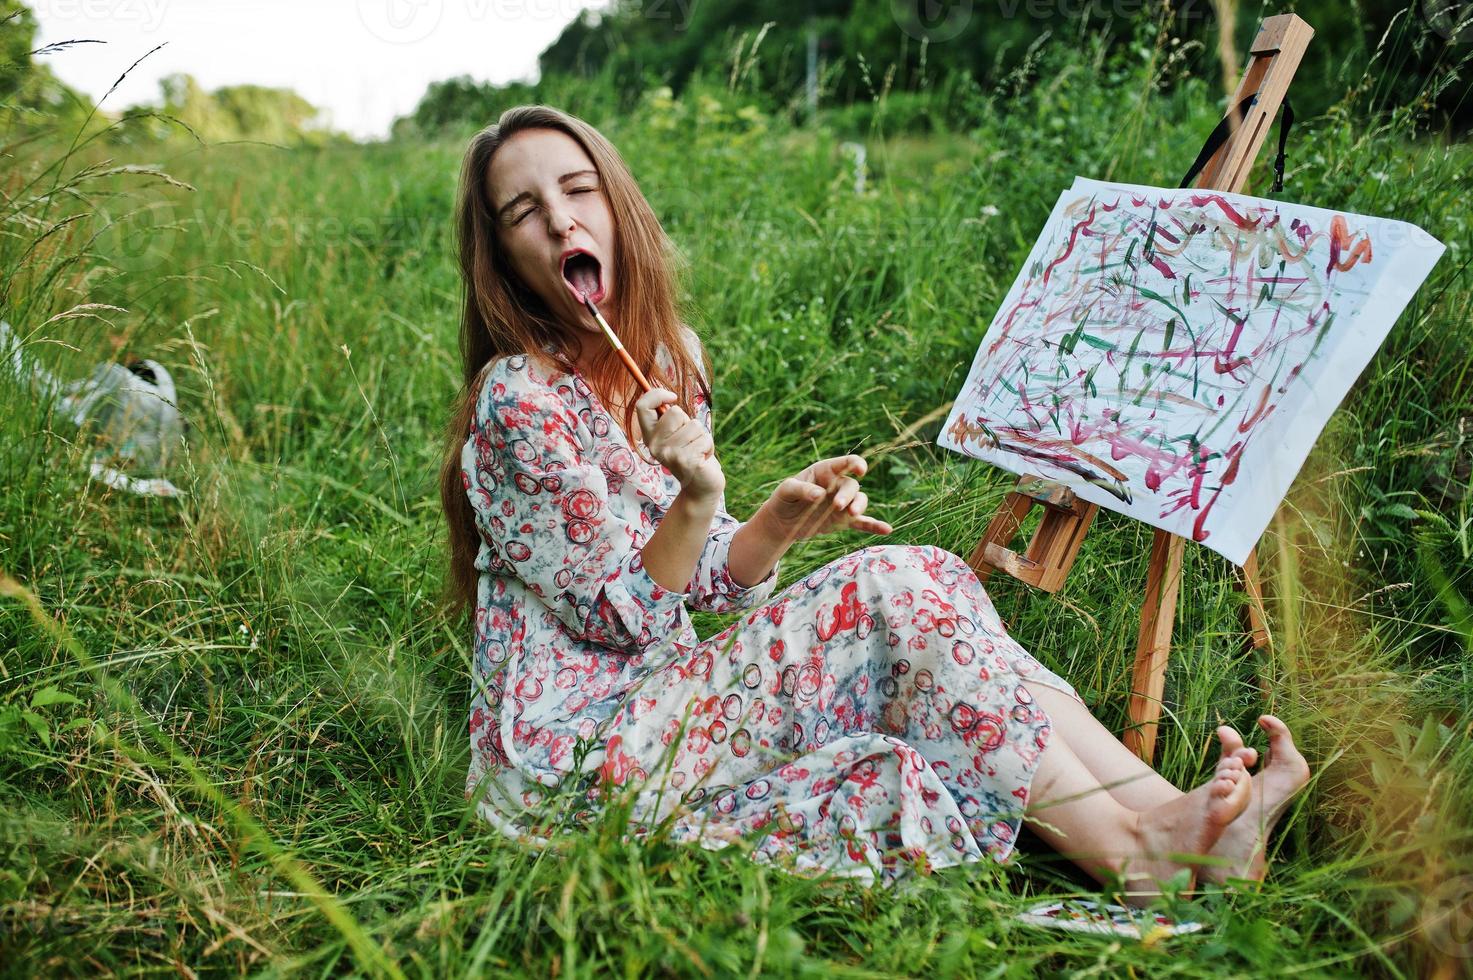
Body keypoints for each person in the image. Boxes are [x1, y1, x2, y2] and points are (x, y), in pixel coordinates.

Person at [438, 105, 1310, 902]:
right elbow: (617, 615)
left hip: (663, 699)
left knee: (928, 573)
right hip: (575, 758)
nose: (558, 218)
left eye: (578, 189)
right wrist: (700, 496)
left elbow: (703, 580)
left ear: (616, 207)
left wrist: (777, 519)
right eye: (522, 212)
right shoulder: (519, 401)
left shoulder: (671, 359)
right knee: (888, 593)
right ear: (506, 260)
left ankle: (1185, 826)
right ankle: (1139, 857)